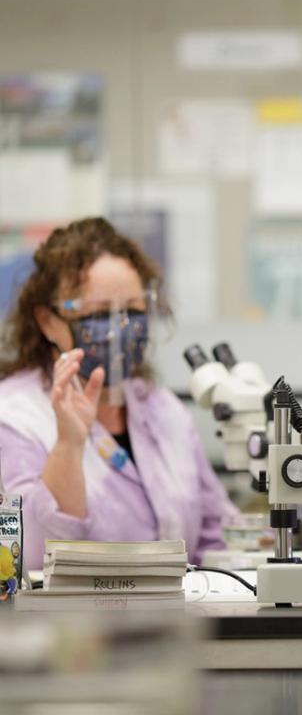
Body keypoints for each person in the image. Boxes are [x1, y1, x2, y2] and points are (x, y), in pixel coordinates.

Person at [0, 217, 238, 570]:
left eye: (132, 311)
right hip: (73, 625)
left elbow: (215, 535)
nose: (119, 329)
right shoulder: (15, 416)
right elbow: (25, 560)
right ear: (47, 321)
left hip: (172, 621)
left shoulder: (160, 408)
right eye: (99, 314)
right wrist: (68, 445)